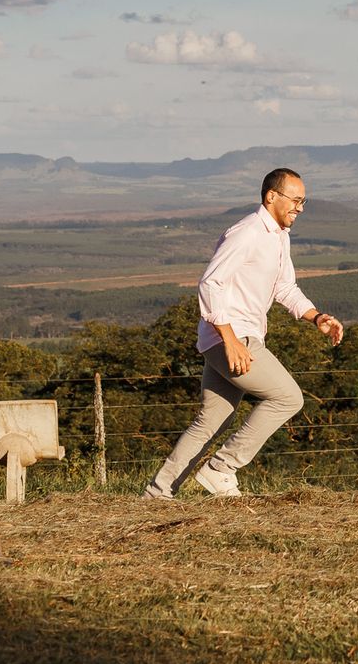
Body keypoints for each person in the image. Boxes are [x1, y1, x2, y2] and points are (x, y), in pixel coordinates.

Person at [145, 168, 343, 498]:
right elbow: (210, 283)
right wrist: (231, 340)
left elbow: (285, 287)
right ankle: (221, 469)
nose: (301, 208)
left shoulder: (279, 236)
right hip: (232, 338)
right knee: (287, 398)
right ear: (271, 197)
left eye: (303, 201)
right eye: (295, 200)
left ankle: (157, 494)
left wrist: (316, 317)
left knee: (212, 419)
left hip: (230, 338)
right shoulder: (247, 233)